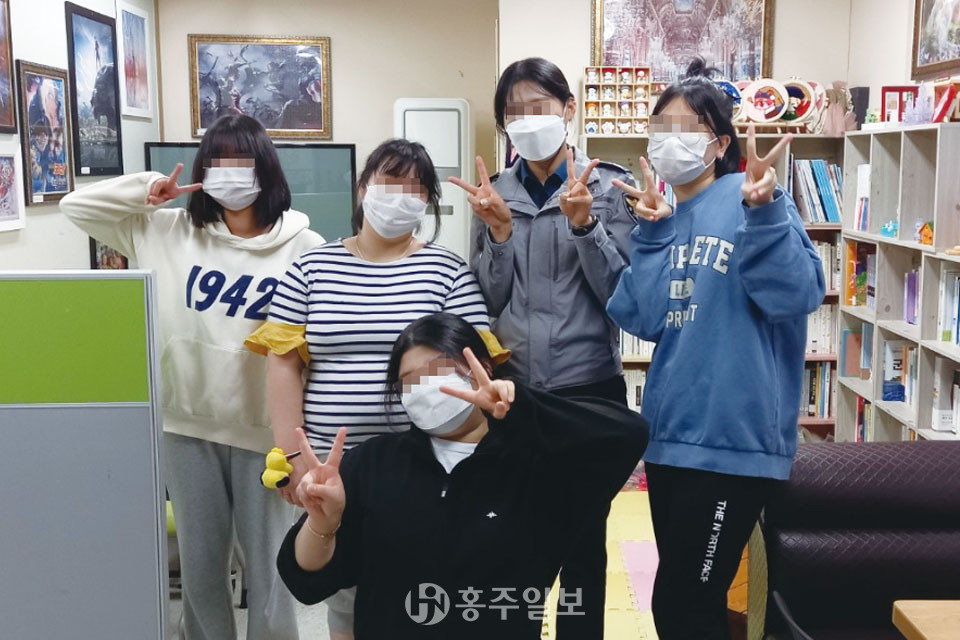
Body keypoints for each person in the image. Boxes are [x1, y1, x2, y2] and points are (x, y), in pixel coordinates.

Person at [61, 113, 324, 640]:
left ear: (266, 170)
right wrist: (146, 190)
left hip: (266, 436)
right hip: (185, 427)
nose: (230, 173)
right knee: (201, 568)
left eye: (242, 162)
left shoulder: (306, 246)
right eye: (218, 162)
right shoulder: (164, 230)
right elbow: (76, 207)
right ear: (202, 171)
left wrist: (297, 442)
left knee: (271, 568)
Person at [246, 139, 503, 639]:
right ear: (363, 188)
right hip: (332, 463)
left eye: (417, 188)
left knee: (415, 587)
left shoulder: (447, 270)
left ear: (427, 203)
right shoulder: (311, 268)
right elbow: (283, 365)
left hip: (423, 466)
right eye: (390, 181)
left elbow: (476, 362)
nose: (401, 195)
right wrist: (292, 456)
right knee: (342, 594)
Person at [606, 59, 826, 640]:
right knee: (679, 603)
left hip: (732, 443)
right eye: (659, 128)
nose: (668, 140)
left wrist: (766, 213)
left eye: (685, 128)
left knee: (687, 603)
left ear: (720, 143)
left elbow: (797, 294)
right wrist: (652, 235)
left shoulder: (751, 198)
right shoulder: (667, 218)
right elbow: (642, 318)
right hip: (671, 438)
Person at [275, 312, 649, 639]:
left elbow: (627, 435)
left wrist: (522, 405)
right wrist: (322, 523)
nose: (425, 388)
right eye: (409, 382)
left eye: (438, 371)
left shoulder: (534, 466)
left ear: (482, 368)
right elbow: (305, 582)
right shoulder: (372, 463)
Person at [449, 56, 639, 637]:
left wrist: (586, 227)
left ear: (568, 109)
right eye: (514, 113)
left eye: (539, 107)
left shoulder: (608, 188)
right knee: (516, 536)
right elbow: (487, 298)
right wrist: (499, 233)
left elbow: (623, 296)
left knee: (583, 543)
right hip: (517, 392)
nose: (527, 120)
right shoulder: (495, 194)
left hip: (588, 389)